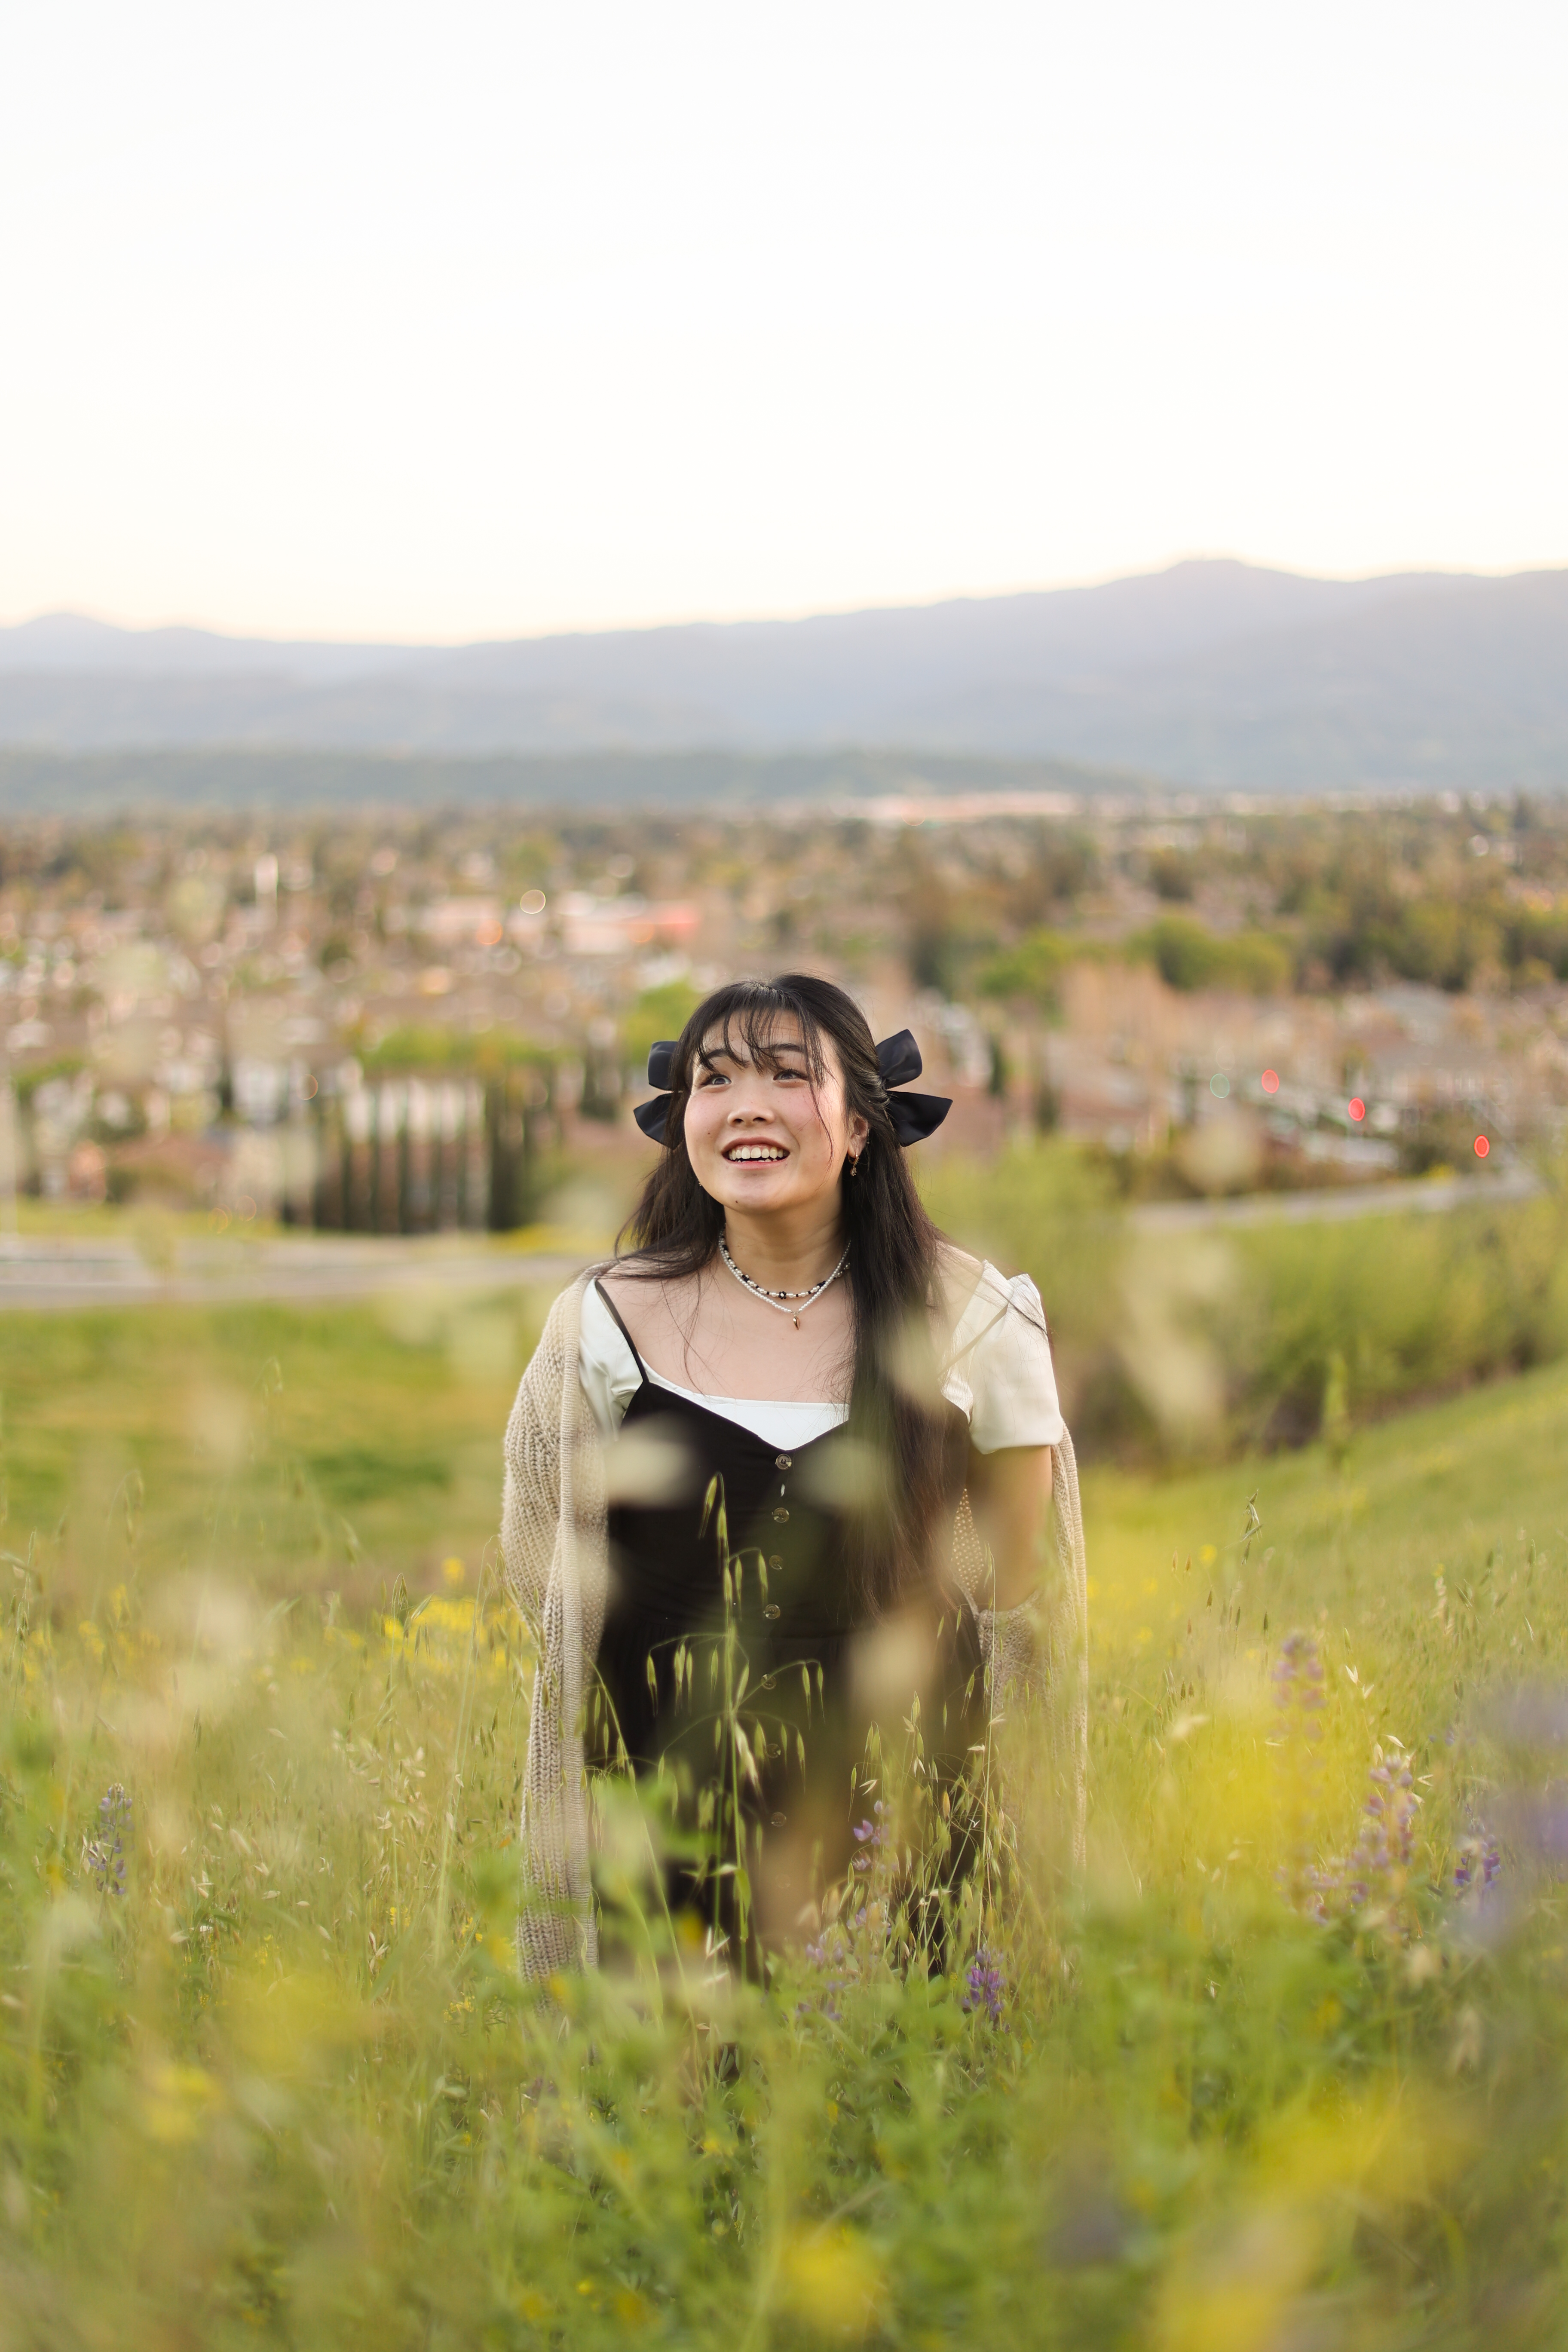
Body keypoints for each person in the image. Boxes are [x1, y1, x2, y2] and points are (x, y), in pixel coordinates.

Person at [500, 974, 1086, 1978]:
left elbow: (1017, 1582)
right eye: (715, 1079)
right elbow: (544, 1562)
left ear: (863, 1125)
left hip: (901, 1821)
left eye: (786, 1075)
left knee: (891, 2096)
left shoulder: (973, 1318)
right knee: (669, 2114)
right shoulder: (604, 1324)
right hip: (666, 1816)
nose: (747, 1107)